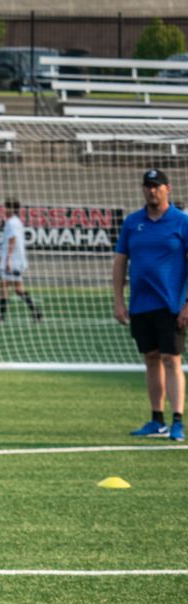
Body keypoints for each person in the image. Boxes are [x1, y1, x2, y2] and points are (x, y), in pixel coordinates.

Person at [115, 168, 188, 442]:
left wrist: (187, 304)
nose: (151, 190)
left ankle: (177, 421)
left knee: (172, 360)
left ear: (168, 188)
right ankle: (157, 419)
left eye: (157, 186)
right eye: (147, 186)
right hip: (141, 304)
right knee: (151, 359)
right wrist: (119, 301)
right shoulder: (133, 223)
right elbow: (120, 260)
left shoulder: (182, 222)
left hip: (171, 303)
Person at [0, 198, 41, 324]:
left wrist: (7, 259)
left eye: (6, 207)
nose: (4, 210)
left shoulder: (11, 222)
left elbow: (12, 240)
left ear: (12, 209)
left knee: (4, 285)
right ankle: (36, 312)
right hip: (16, 260)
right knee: (17, 288)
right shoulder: (16, 221)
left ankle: (1, 317)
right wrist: (2, 257)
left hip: (13, 260)